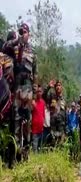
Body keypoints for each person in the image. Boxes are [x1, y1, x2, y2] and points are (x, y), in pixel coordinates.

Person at [3, 23, 37, 163]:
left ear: (29, 33)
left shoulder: (33, 51)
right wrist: (18, 41)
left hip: (28, 89)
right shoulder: (14, 47)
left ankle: (25, 156)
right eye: (20, 31)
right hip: (17, 88)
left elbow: (35, 74)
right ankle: (14, 159)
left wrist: (34, 95)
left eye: (25, 31)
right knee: (16, 121)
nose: (23, 33)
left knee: (27, 123)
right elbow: (4, 46)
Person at [31, 85, 45, 153]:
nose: (39, 93)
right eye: (38, 91)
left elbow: (43, 114)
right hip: (34, 130)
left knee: (40, 149)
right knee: (35, 149)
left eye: (40, 91)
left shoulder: (43, 102)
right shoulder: (33, 102)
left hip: (41, 129)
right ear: (36, 93)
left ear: (42, 92)